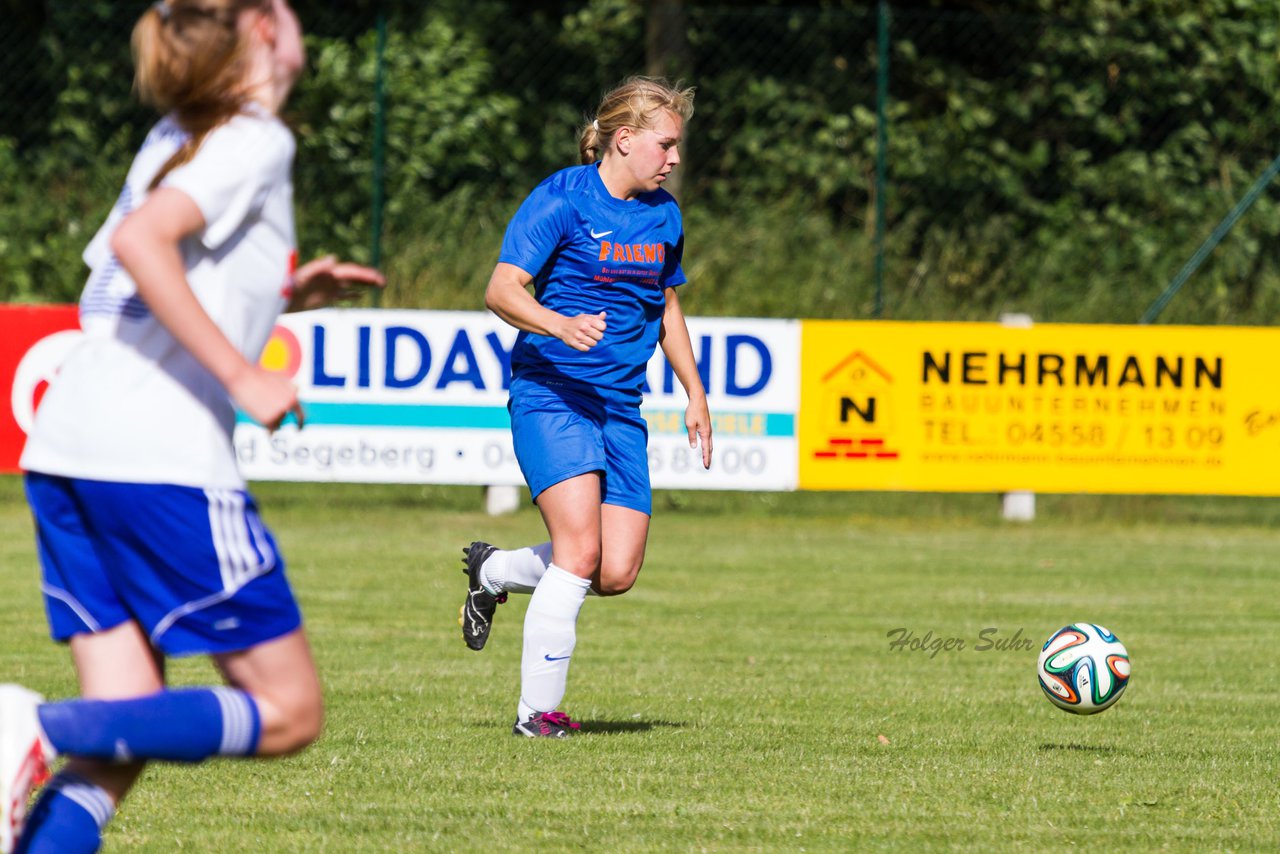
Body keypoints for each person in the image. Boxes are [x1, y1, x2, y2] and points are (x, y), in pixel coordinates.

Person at [0, 2, 384, 851]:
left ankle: (43, 739)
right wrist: (247, 373)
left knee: (125, 730)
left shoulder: (179, 132)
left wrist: (281, 295)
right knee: (290, 712)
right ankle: (33, 724)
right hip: (156, 454)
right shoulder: (256, 136)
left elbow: (114, 283)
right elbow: (143, 243)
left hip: (68, 443)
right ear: (258, 28)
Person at [459, 77, 713, 738]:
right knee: (578, 550)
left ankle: (493, 571)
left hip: (619, 409)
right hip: (553, 395)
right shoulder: (562, 199)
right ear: (623, 140)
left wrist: (695, 391)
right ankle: (536, 715)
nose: (674, 158)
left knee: (615, 570)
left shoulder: (664, 215)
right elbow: (501, 288)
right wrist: (555, 323)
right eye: (666, 144)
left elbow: (666, 305)